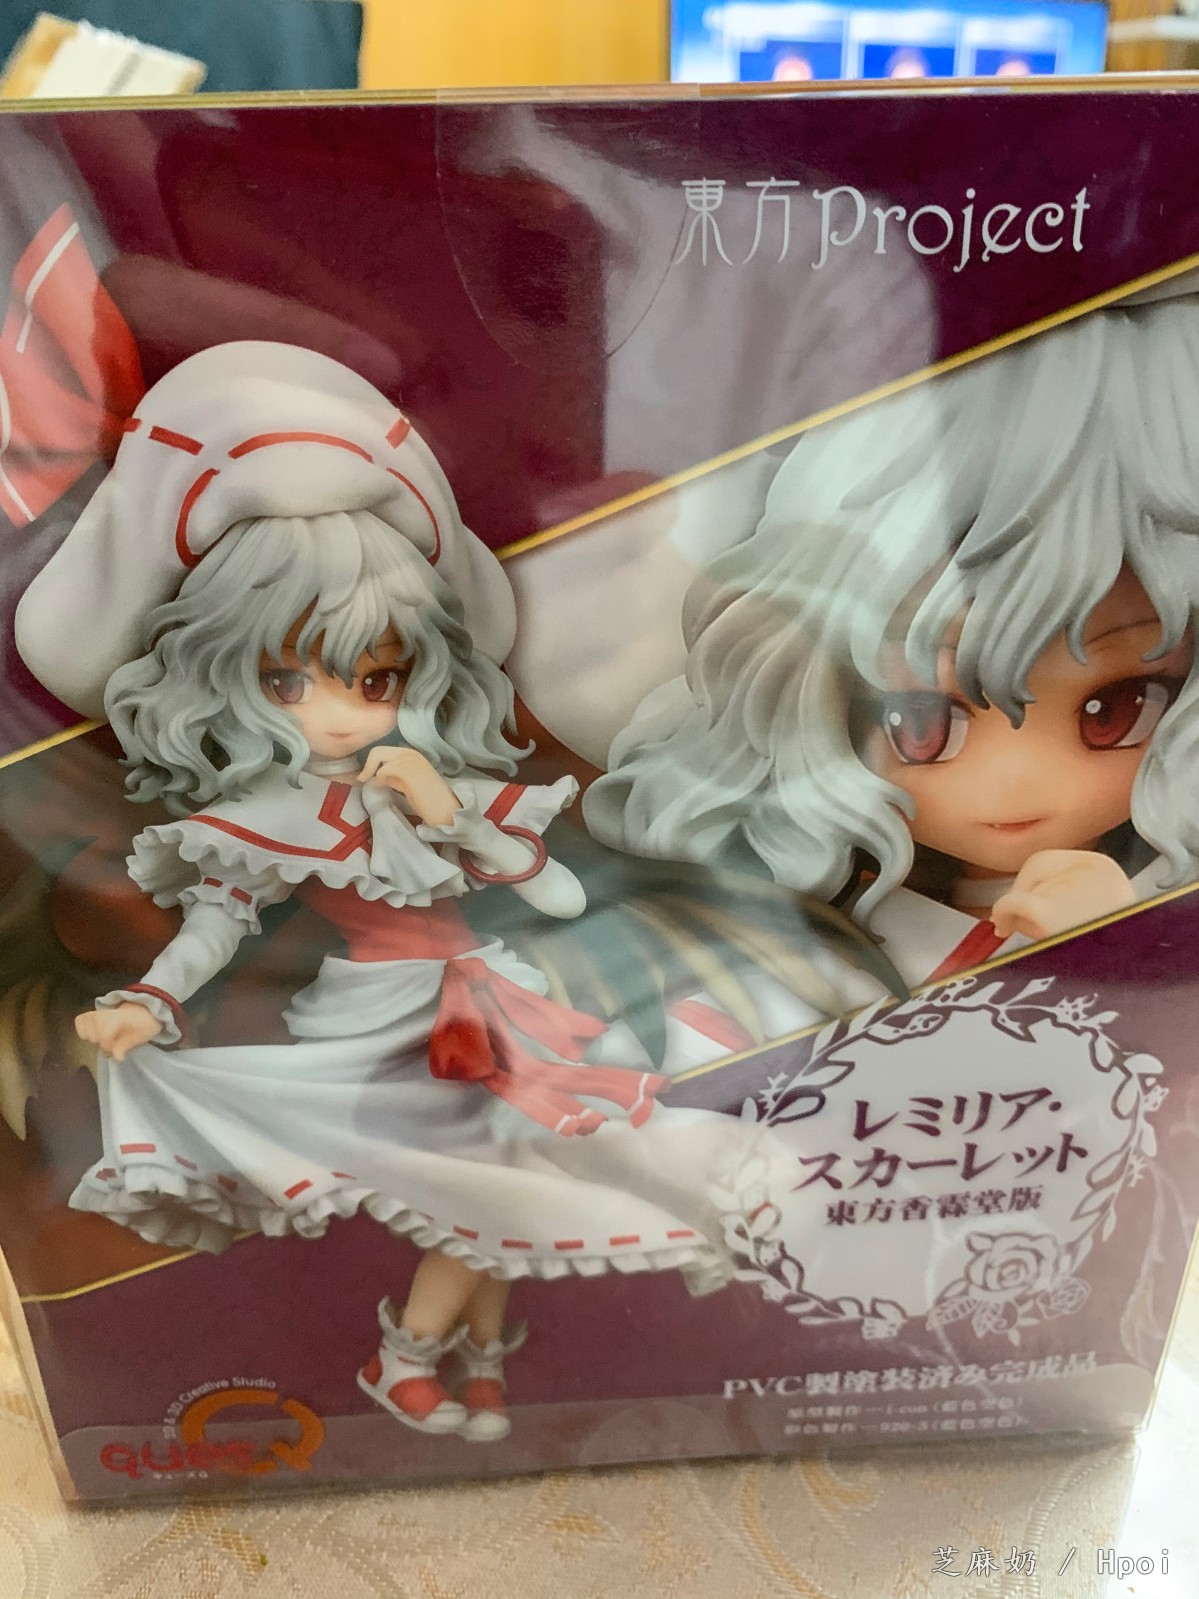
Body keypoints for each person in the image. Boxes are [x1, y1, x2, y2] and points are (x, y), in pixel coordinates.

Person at [15, 339, 780, 1443]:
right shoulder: (261, 819)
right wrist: (154, 1000)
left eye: (375, 677)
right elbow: (215, 923)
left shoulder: (432, 786)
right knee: (486, 1192)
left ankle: (469, 1363)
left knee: (510, 1183)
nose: (338, 712)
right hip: (379, 1034)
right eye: (286, 679)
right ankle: (411, 1361)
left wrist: (448, 811)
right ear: (219, 677)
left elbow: (557, 899)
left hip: (493, 1004)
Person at [585, 294, 1199, 1040]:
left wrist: (1120, 950)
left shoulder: (1155, 904)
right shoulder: (819, 918)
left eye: (1114, 711)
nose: (1015, 784)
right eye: (923, 723)